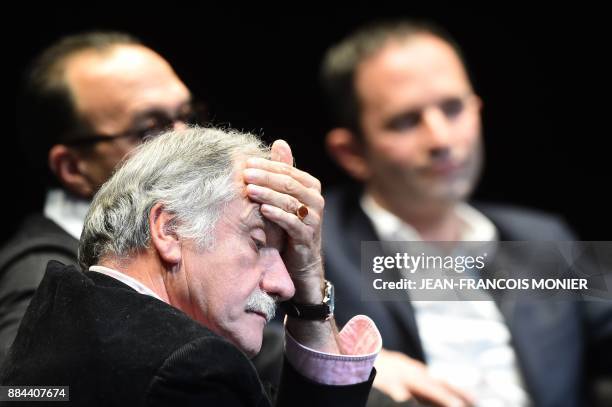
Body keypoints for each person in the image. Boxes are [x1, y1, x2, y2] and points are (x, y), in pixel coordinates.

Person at [320, 19, 611, 407]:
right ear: (352, 153)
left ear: (477, 112)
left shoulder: (542, 236)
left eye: (453, 109)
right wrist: (348, 363)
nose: (440, 140)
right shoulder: (317, 244)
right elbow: (245, 341)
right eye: (406, 121)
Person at [1, 127, 382, 406]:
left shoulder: (56, 308)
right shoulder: (193, 367)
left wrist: (311, 295)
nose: (285, 285)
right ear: (169, 229)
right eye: (259, 243)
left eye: (287, 259)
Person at [0, 31, 202, 363]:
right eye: (150, 131)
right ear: (73, 168)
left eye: (188, 116)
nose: (190, 142)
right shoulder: (40, 279)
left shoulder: (188, 237)